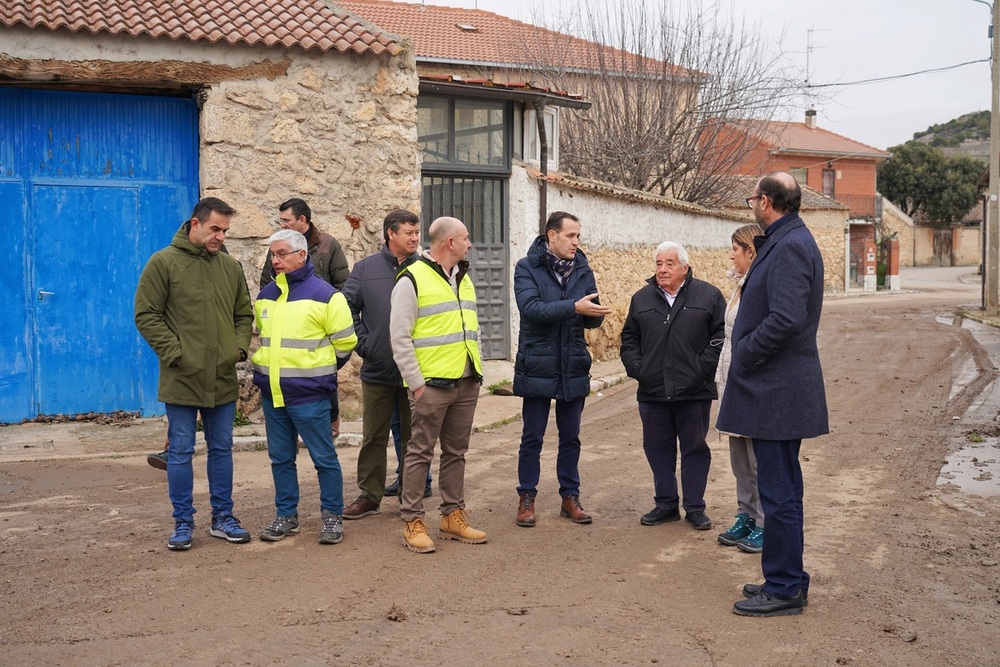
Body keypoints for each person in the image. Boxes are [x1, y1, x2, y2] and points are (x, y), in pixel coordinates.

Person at [719, 172, 829, 618]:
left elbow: (785, 319)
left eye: (752, 199)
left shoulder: (791, 246)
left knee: (779, 493)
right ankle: (786, 577)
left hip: (777, 390)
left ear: (765, 202)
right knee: (782, 490)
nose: (751, 206)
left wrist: (744, 353)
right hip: (777, 390)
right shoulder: (788, 240)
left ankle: (783, 587)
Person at [134, 197, 254, 551]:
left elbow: (243, 315)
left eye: (225, 230)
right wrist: (175, 354)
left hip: (220, 378)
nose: (220, 236)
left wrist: (238, 349)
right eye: (215, 228)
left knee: (222, 449)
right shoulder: (163, 263)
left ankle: (223, 518)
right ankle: (183, 522)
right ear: (195, 224)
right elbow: (146, 315)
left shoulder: (229, 268)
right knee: (181, 451)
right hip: (181, 376)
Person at [252, 229, 357, 544]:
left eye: (282, 253)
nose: (276, 260)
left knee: (323, 458)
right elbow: (262, 341)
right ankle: (286, 516)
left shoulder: (327, 296)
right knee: (281, 458)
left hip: (310, 397)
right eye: (273, 254)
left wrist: (318, 375)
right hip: (274, 395)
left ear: (302, 255)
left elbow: (345, 344)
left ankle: (331, 517)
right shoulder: (266, 295)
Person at [390, 216, 486, 554]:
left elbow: (471, 329)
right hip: (431, 386)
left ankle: (452, 516)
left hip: (465, 381)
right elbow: (399, 338)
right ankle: (413, 520)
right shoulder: (411, 279)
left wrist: (477, 368)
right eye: (466, 238)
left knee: (457, 453)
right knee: (419, 453)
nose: (469, 244)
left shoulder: (463, 277)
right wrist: (417, 385)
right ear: (449, 242)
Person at [512, 211, 611, 527]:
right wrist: (574, 307)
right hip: (538, 362)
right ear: (551, 236)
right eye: (570, 236)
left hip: (572, 362)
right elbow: (531, 310)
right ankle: (527, 498)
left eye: (578, 236)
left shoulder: (582, 268)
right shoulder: (526, 267)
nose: (576, 242)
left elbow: (589, 316)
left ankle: (570, 497)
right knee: (533, 437)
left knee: (571, 436)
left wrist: (595, 314)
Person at [620, 241, 725, 532]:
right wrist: (638, 368)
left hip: (694, 389)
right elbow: (629, 338)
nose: (663, 269)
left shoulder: (709, 295)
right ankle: (666, 504)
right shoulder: (641, 299)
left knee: (694, 448)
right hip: (653, 390)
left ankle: (695, 507)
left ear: (684, 268)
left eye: (669, 263)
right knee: (657, 448)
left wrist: (702, 367)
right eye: (658, 264)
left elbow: (721, 334)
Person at [340, 209, 427, 521]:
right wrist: (366, 343)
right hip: (378, 369)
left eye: (417, 233)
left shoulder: (427, 268)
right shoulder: (365, 269)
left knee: (414, 437)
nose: (415, 239)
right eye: (409, 233)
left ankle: (411, 495)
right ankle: (370, 495)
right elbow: (346, 306)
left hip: (415, 372)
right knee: (373, 436)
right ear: (391, 234)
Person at [715, 224, 766, 553]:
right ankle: (745, 514)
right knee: (738, 456)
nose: (731, 254)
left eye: (736, 248)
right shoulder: (738, 286)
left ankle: (764, 521)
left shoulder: (759, 287)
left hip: (751, 381)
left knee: (757, 456)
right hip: (731, 378)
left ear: (751, 251)